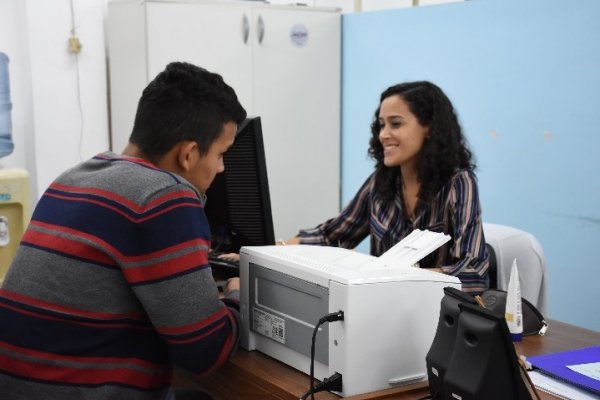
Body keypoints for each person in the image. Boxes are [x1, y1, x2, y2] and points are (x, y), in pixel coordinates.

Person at [0, 62, 246, 399]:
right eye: (221, 154)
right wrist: (236, 295)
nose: (220, 167)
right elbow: (206, 351)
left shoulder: (74, 177)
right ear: (188, 154)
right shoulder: (164, 197)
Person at [288, 81, 489, 293]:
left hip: (437, 314)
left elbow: (474, 273)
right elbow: (332, 236)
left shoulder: (458, 182)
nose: (383, 134)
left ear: (429, 128)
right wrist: (272, 248)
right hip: (385, 307)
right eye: (381, 125)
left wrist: (400, 279)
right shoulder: (380, 182)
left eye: (395, 124)